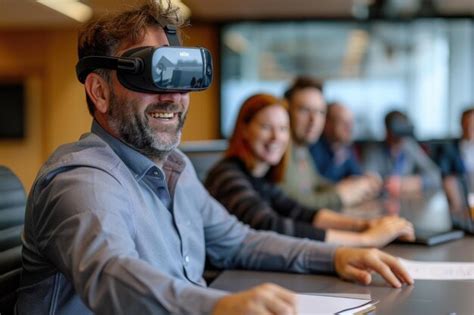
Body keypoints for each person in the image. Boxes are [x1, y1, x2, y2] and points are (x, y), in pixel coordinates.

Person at [16, 3, 413, 314]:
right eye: (152, 76)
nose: (172, 97)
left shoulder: (176, 169)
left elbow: (239, 241)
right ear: (99, 92)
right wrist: (219, 306)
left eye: (181, 76)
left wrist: (337, 255)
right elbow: (110, 275)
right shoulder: (83, 180)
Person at [205, 93, 414, 247]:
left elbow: (300, 213)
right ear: (244, 130)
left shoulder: (261, 176)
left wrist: (365, 224)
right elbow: (271, 225)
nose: (277, 138)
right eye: (266, 127)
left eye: (283, 129)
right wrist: (364, 240)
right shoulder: (227, 175)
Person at [280, 76, 382, 210]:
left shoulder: (301, 149)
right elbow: (293, 203)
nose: (314, 120)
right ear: (286, 112)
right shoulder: (279, 150)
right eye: (304, 110)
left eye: (320, 112)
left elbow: (316, 183)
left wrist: (353, 185)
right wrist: (341, 195)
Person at [362, 110, 442, 196]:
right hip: (381, 200)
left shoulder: (410, 147)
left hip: (407, 202)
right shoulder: (374, 150)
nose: (400, 136)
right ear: (387, 130)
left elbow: (435, 175)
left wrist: (412, 183)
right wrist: (380, 183)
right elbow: (366, 178)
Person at [310, 101, 365, 181]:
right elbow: (318, 185)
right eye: (343, 122)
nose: (349, 127)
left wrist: (366, 179)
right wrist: (337, 163)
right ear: (327, 124)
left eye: (351, 122)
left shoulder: (344, 147)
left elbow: (356, 175)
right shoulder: (314, 148)